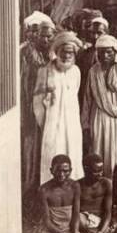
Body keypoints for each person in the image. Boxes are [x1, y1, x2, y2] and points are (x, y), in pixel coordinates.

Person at [38, 155, 112, 233]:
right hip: (54, 231)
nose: (61, 174)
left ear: (71, 170)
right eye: (58, 171)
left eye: (65, 171)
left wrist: (75, 231)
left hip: (70, 228)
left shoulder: (75, 186)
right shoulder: (44, 190)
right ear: (51, 170)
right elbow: (47, 222)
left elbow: (76, 213)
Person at [34, 31, 85, 184]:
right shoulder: (45, 71)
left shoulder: (76, 71)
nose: (67, 56)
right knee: (53, 152)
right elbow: (37, 100)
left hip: (72, 122)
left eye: (71, 53)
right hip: (52, 123)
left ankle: (72, 188)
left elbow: (75, 94)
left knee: (73, 152)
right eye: (64, 52)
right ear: (57, 51)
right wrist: (46, 122)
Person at [81, 34, 117, 174]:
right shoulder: (93, 71)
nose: (105, 56)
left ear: (115, 52)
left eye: (108, 52)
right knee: (98, 153)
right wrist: (85, 126)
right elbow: (87, 100)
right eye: (101, 52)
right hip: (98, 118)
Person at [21, 16, 55, 193]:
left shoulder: (55, 55)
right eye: (42, 36)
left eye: (49, 36)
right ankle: (30, 182)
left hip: (50, 106)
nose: (46, 40)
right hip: (30, 104)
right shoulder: (27, 53)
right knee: (31, 143)